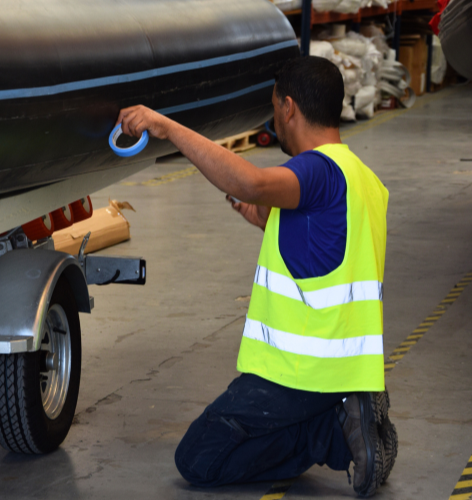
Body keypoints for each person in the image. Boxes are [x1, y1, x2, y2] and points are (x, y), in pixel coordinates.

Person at [115, 56, 397, 497]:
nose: (274, 120)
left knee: (199, 459)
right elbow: (324, 248)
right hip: (343, 370)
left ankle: (332, 430)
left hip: (298, 373)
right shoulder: (362, 178)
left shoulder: (317, 167)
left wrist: (165, 127)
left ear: (288, 108)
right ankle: (344, 427)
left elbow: (254, 183)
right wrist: (260, 216)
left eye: (273, 109)